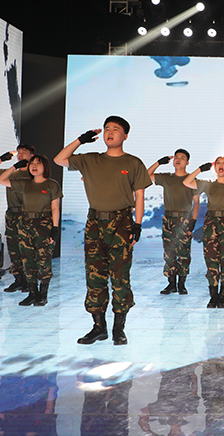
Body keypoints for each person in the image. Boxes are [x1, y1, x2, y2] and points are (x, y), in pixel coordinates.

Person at [54, 116, 151, 346]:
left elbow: (139, 196)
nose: (110, 132)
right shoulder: (90, 160)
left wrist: (137, 225)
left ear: (125, 136)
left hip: (122, 222)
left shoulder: (133, 163)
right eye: (107, 128)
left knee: (120, 277)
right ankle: (99, 328)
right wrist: (80, 140)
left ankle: (119, 329)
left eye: (116, 129)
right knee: (94, 276)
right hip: (95, 222)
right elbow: (59, 159)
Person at [0, 154, 61, 306]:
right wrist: (15, 167)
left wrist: (55, 228)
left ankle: (43, 294)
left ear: (45, 166)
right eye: (32, 163)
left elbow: (55, 208)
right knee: (27, 259)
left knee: (43, 260)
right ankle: (32, 293)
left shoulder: (52, 185)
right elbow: (1, 180)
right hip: (25, 224)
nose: (34, 166)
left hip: (43, 225)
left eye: (38, 163)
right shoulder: (25, 183)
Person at [183, 157, 224, 309]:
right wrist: (200, 169)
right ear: (215, 167)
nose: (221, 166)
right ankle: (213, 296)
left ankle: (223, 296)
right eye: (218, 163)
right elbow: (187, 182)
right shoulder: (209, 184)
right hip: (211, 223)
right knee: (211, 261)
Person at [0, 144, 36, 293]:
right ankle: (18, 280)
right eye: (19, 152)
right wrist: (2, 159)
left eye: (24, 152)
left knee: (28, 249)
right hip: (12, 214)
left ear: (31, 156)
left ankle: (30, 281)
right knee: (13, 249)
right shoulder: (11, 173)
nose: (20, 155)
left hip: (27, 214)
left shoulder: (35, 174)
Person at [148, 149, 200, 296]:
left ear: (187, 162)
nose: (178, 159)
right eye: (176, 157)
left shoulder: (191, 179)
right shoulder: (167, 178)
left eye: (182, 157)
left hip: (185, 219)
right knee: (169, 252)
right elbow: (146, 176)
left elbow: (196, 203)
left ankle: (182, 284)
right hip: (169, 219)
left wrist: (193, 221)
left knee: (184, 252)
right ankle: (171, 284)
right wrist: (159, 163)